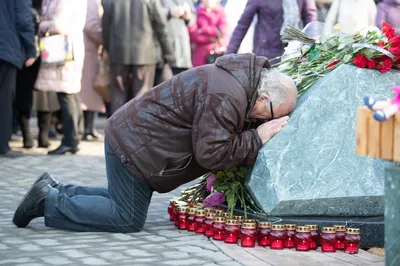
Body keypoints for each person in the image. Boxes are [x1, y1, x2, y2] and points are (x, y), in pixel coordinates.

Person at [13, 53, 298, 233]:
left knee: (122, 203)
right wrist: (256, 138)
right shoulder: (227, 96)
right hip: (135, 146)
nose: (267, 122)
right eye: (273, 116)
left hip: (138, 139)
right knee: (126, 217)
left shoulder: (240, 85)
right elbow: (211, 153)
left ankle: (56, 189)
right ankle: (47, 201)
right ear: (263, 97)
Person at [102, 0, 175, 115]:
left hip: (118, 52)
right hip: (145, 53)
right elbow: (161, 26)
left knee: (118, 92)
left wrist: (108, 49)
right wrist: (169, 54)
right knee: (142, 94)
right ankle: (140, 128)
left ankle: (116, 129)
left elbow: (105, 27)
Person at [35, 0, 87, 155]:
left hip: (64, 51)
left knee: (67, 95)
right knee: (72, 94)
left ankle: (70, 141)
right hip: (70, 48)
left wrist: (41, 25)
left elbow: (59, 25)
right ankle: (74, 137)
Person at [0, 0, 37, 158]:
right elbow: (24, 19)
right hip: (5, 49)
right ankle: (2, 145)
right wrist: (31, 49)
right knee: (4, 99)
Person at [226, 0, 317, 63]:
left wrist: (311, 48)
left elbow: (310, 18)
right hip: (266, 57)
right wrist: (227, 57)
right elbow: (243, 25)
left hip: (294, 55)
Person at [14, 0, 43, 149]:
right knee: (26, 96)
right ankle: (29, 137)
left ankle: (29, 137)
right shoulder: (35, 10)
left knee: (23, 95)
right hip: (29, 55)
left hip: (26, 55)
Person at [80, 0, 106, 141]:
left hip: (88, 50)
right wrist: (106, 38)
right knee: (89, 93)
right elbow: (91, 26)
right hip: (89, 50)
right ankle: (87, 129)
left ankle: (87, 128)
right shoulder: (92, 2)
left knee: (87, 93)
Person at [189, 0, 228, 67]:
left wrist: (204, 29)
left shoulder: (221, 12)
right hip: (200, 55)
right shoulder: (196, 12)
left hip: (217, 52)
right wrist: (210, 38)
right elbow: (193, 35)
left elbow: (222, 31)